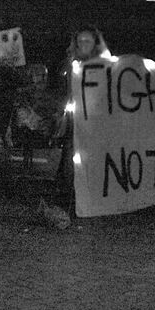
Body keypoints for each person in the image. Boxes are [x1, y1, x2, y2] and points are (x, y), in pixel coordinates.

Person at [54, 26, 110, 209]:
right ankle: (69, 195)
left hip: (95, 119)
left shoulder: (103, 64)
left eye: (88, 41)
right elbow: (65, 90)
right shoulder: (72, 64)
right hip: (75, 120)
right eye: (80, 41)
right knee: (72, 155)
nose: (84, 44)